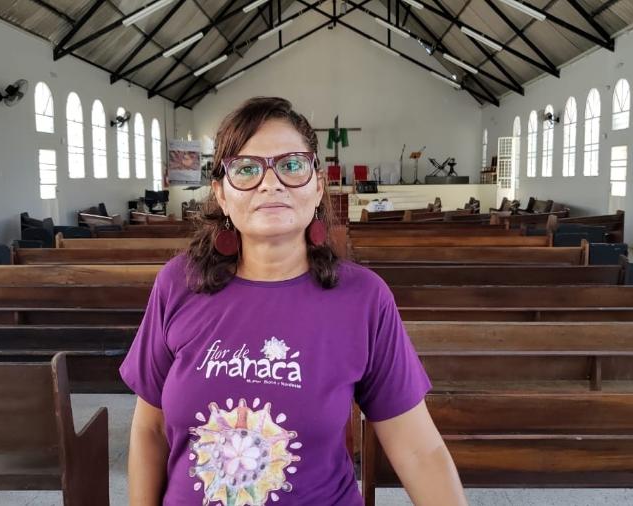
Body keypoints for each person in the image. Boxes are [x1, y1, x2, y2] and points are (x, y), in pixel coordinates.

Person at [121, 96, 466, 505]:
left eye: (291, 165)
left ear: (317, 186)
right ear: (221, 194)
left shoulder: (363, 299)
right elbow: (150, 429)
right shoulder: (179, 283)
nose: (271, 183)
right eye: (246, 169)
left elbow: (419, 450)